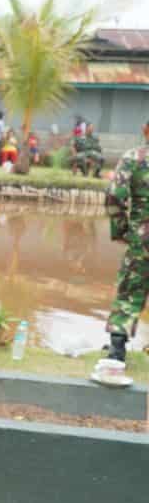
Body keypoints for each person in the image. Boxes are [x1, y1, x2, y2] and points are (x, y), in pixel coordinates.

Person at [95, 120, 149, 386]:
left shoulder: (135, 158)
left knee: (130, 292)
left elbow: (115, 195)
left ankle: (117, 351)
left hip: (143, 238)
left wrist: (122, 230)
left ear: (145, 130)